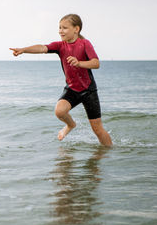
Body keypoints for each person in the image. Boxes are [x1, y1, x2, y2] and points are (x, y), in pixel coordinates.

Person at [10, 14, 112, 146]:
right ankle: (70, 125)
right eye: (59, 28)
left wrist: (79, 63)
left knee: (97, 129)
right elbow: (42, 48)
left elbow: (96, 63)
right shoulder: (60, 46)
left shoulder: (85, 43)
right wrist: (24, 50)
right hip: (72, 89)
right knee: (59, 111)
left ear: (76, 29)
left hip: (89, 91)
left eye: (64, 28)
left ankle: (109, 153)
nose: (60, 31)